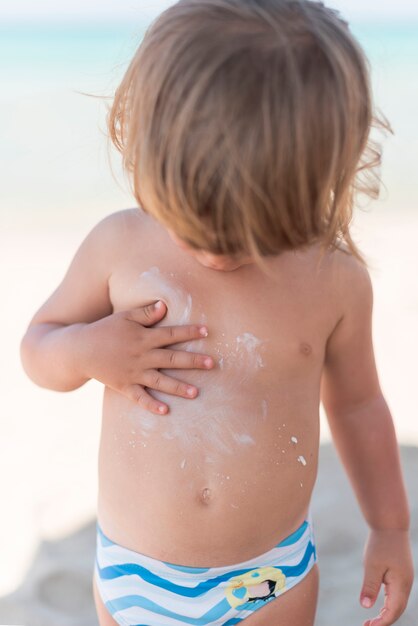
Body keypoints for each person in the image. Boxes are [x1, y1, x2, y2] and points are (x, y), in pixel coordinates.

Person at [20, 1, 414, 625]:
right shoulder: (119, 246)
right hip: (133, 577)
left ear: (311, 183)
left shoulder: (333, 282)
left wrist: (390, 527)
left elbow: (360, 406)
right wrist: (88, 351)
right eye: (188, 224)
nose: (212, 250)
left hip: (269, 577)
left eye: (247, 236)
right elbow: (37, 346)